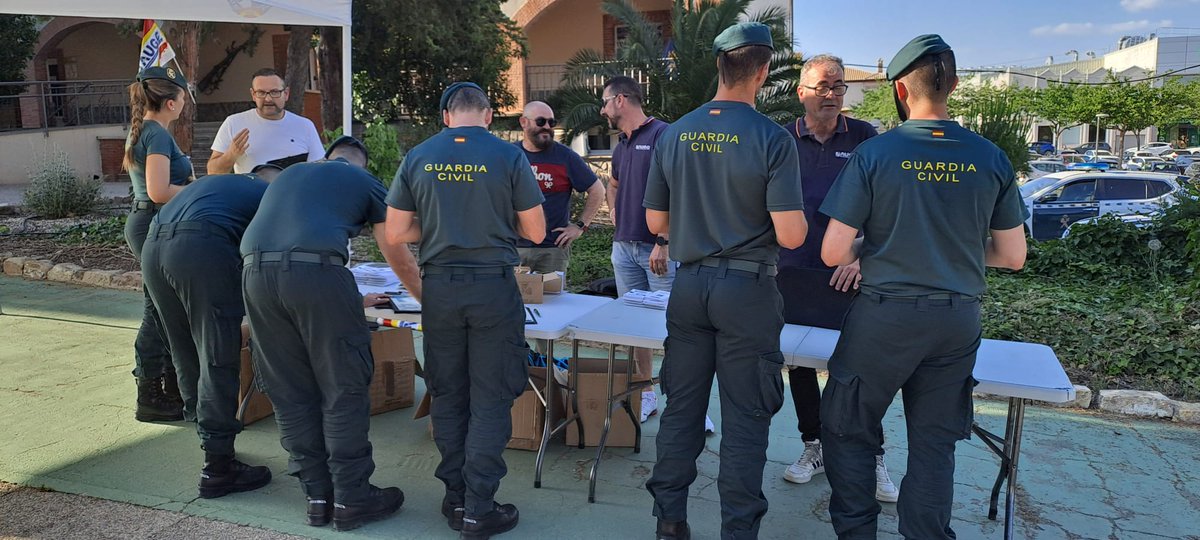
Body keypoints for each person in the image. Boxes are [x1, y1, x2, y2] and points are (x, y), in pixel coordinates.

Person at [817, 35, 1027, 539]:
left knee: (849, 428)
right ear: (952, 85)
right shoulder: (991, 157)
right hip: (955, 321)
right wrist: (947, 250)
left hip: (885, 318)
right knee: (935, 443)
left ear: (900, 91)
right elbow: (1012, 256)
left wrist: (885, 248)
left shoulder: (875, 154)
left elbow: (832, 252)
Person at [643, 23, 808, 540]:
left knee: (682, 410)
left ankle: (670, 522)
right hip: (747, 290)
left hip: (689, 288)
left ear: (719, 66)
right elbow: (792, 234)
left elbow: (655, 224)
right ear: (762, 72)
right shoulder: (773, 140)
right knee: (745, 418)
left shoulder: (674, 133)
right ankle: (738, 530)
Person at [384, 82, 545, 539]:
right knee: (491, 395)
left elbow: (396, 233)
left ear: (446, 116)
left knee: (450, 393)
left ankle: (455, 497)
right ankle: (479, 507)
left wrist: (439, 226)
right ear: (489, 116)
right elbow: (535, 231)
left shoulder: (418, 156)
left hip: (441, 289)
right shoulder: (509, 156)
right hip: (492, 287)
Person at [240, 136, 420, 530]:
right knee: (342, 385)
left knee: (289, 389)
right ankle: (353, 499)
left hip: (254, 276)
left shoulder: (290, 176)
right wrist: (428, 298)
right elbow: (398, 249)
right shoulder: (364, 181)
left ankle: (318, 497)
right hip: (317, 274)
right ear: (359, 164)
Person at [776, 54, 898, 503]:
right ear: (801, 91)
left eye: (839, 86)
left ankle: (873, 456)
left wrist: (863, 256)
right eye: (823, 86)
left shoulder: (867, 137)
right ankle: (815, 447)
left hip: (849, 277)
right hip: (792, 272)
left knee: (858, 368)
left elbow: (887, 209)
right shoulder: (781, 140)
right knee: (801, 366)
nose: (832, 95)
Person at [141, 170, 274, 500]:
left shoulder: (219, 186)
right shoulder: (270, 194)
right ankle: (218, 469)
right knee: (217, 352)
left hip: (153, 246)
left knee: (184, 348)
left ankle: (209, 440)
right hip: (199, 247)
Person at [600, 76, 714, 432]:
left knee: (677, 328)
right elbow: (613, 183)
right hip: (625, 250)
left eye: (605, 102)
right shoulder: (620, 146)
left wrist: (664, 239)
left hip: (658, 251)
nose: (602, 110)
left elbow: (685, 188)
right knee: (636, 330)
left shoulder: (665, 135)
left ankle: (690, 405)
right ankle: (646, 394)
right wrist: (614, 208)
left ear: (621, 100)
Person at [121, 65, 195, 423]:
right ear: (171, 102)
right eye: (183, 96)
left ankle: (167, 389)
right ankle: (150, 394)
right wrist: (201, 189)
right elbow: (159, 191)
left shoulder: (147, 130)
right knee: (157, 309)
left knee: (163, 307)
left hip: (150, 223)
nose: (184, 103)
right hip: (152, 224)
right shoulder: (158, 135)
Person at [514, 101, 604, 273]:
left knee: (553, 300)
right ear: (523, 122)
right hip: (514, 249)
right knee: (512, 299)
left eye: (551, 122)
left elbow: (598, 190)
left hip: (552, 250)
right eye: (540, 122)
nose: (547, 127)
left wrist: (580, 226)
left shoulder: (565, 157)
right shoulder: (510, 155)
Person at [207, 68, 324, 174]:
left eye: (274, 92)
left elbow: (319, 171)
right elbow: (212, 172)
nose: (268, 99)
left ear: (286, 94)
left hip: (294, 196)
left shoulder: (304, 126)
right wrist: (230, 156)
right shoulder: (234, 123)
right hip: (253, 196)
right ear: (253, 95)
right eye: (261, 93)